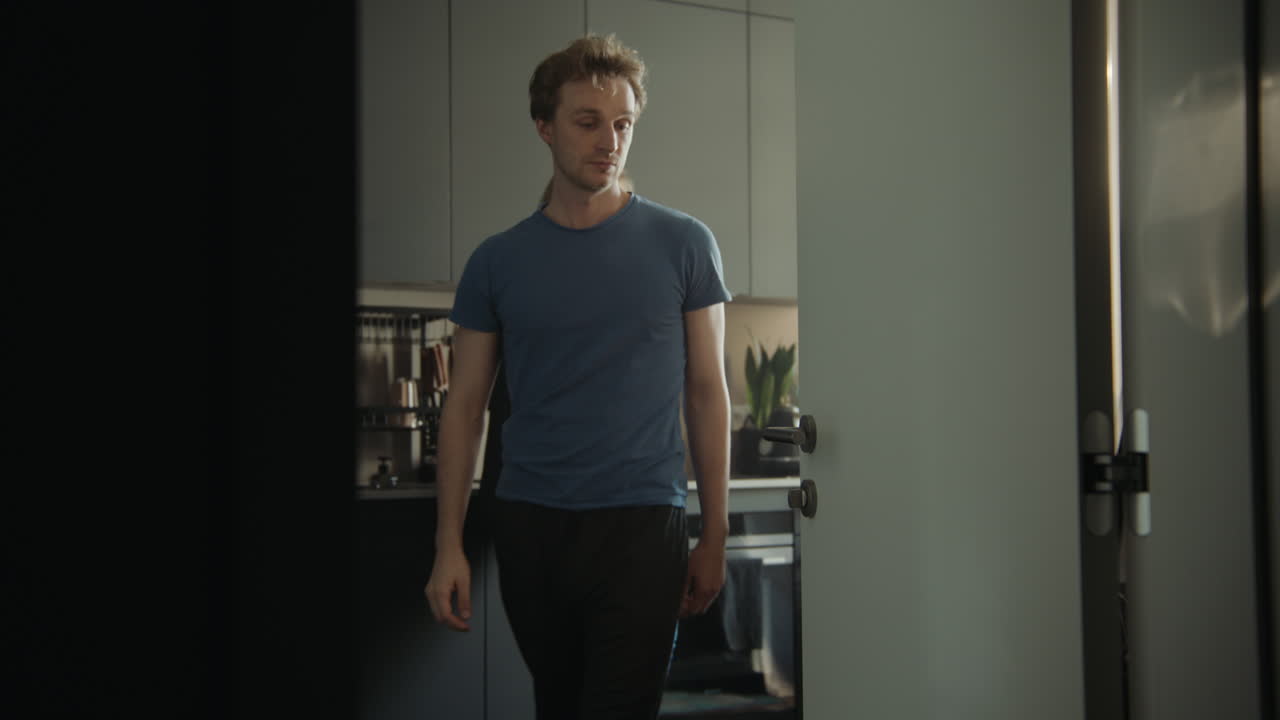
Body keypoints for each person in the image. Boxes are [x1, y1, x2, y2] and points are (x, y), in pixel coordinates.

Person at [425, 33, 732, 720]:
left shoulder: (685, 244)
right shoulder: (498, 261)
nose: (610, 140)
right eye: (587, 121)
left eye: (622, 124)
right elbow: (465, 405)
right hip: (531, 527)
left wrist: (715, 533)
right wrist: (449, 544)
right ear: (544, 126)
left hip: (642, 525)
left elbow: (708, 394)